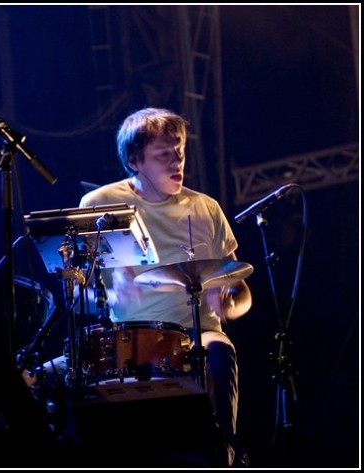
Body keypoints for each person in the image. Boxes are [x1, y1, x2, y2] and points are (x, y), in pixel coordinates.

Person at [76, 107, 252, 465]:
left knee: (219, 356)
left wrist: (230, 299)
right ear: (135, 160)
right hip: (125, 336)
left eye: (180, 151)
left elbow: (235, 283)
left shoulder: (206, 208)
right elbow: (80, 284)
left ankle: (223, 456)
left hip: (196, 331)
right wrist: (103, 292)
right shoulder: (99, 205)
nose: (177, 162)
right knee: (41, 379)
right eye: (164, 154)